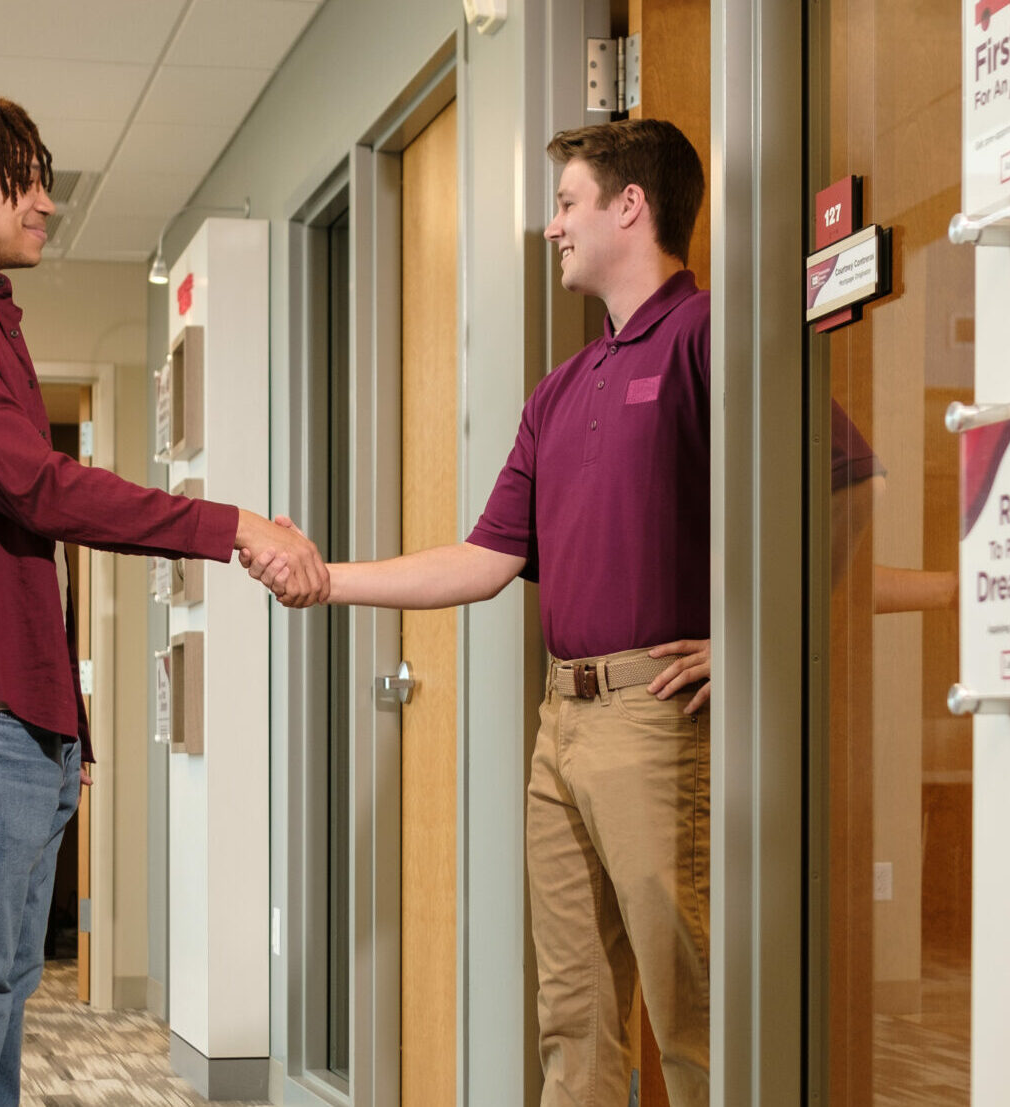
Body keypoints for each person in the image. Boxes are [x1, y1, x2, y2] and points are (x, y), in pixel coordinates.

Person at [249, 118, 955, 1107]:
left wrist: (761, 646)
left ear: (631, 208)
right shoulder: (560, 389)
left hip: (659, 720)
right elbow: (484, 560)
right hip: (562, 728)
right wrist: (327, 580)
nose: (553, 227)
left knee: (696, 1012)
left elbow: (850, 490)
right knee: (572, 1017)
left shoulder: (714, 331)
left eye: (567, 202)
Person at [0, 92, 325, 1107]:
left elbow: (19, 530)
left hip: (16, 713)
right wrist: (233, 525)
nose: (44, 202)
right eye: (22, 179)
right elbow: (40, 486)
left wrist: (68, 729)